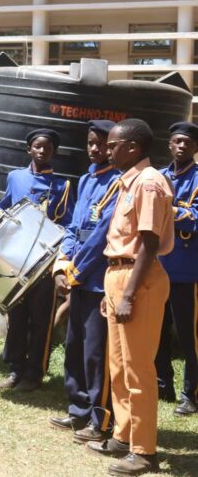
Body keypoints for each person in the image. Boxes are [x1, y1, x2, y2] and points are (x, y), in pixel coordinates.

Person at [86, 119, 172, 476]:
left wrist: (129, 295)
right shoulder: (128, 181)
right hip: (119, 275)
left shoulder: (149, 183)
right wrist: (114, 291)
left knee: (139, 370)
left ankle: (144, 450)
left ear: (133, 147)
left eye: (113, 145)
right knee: (119, 367)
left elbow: (149, 244)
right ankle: (123, 435)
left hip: (139, 279)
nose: (107, 151)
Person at [0, 128, 74, 393]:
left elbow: (68, 222)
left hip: (44, 263)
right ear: (29, 149)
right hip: (17, 258)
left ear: (54, 152)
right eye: (37, 146)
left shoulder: (63, 185)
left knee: (40, 318)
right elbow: (4, 205)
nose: (42, 151)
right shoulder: (15, 177)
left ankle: (35, 372)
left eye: (48, 147)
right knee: (16, 315)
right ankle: (15, 368)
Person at [50, 120, 120, 443]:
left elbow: (100, 237)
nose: (95, 148)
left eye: (101, 144)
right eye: (91, 142)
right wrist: (62, 265)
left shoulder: (117, 183)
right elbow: (73, 228)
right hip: (76, 277)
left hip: (97, 280)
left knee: (96, 353)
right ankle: (78, 410)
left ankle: (100, 418)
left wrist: (74, 272)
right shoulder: (86, 179)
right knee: (74, 346)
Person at [155, 122, 198, 417]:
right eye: (177, 141)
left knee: (189, 336)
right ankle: (163, 385)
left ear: (195, 147)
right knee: (156, 331)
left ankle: (190, 394)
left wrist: (170, 211)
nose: (181, 146)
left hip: (188, 269)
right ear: (169, 144)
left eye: (187, 142)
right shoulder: (158, 177)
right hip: (159, 266)